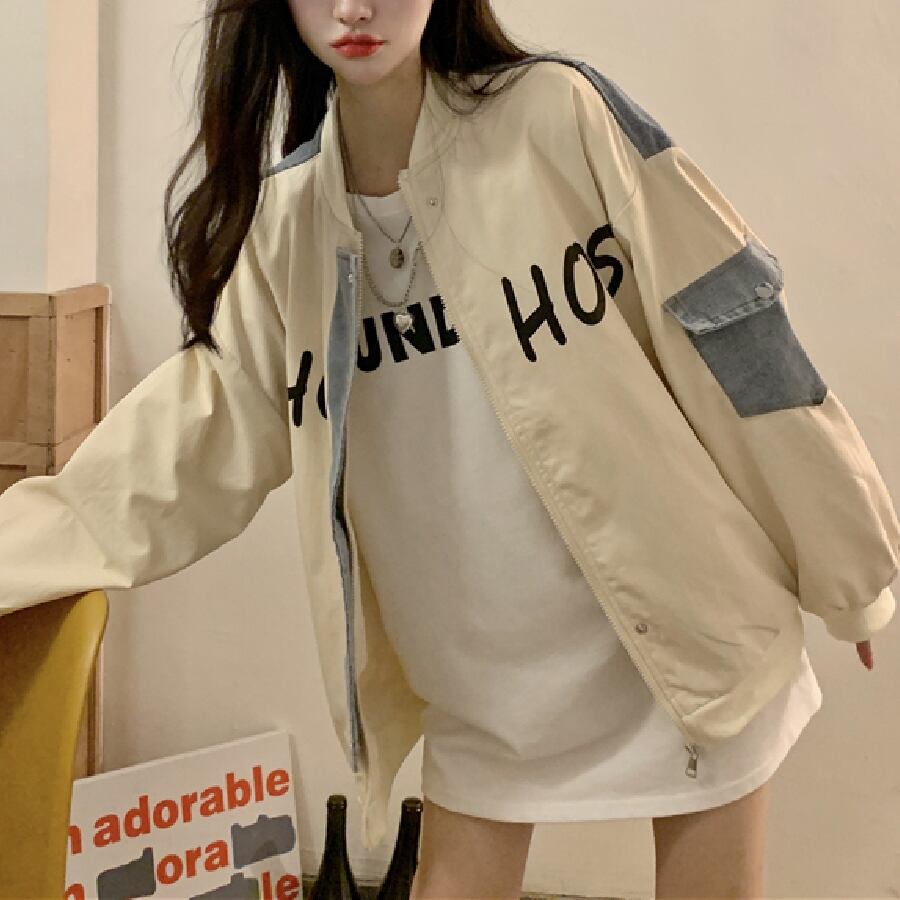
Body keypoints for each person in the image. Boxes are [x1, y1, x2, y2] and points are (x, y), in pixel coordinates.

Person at [1, 1, 897, 897]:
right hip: (487, 694)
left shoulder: (555, 116)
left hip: (684, 641)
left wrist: (849, 560)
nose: (355, 6)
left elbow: (727, 321)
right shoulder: (289, 224)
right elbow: (188, 441)